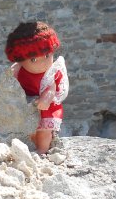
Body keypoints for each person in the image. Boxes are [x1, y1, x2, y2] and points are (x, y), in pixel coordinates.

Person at [4, 21, 68, 155]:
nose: (43, 63)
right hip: (25, 102)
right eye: (33, 60)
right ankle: (27, 145)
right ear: (21, 59)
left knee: (44, 130)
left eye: (47, 56)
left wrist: (46, 98)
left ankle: (42, 150)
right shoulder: (19, 69)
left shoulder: (51, 72)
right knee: (28, 130)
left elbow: (52, 87)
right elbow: (11, 80)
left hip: (45, 107)